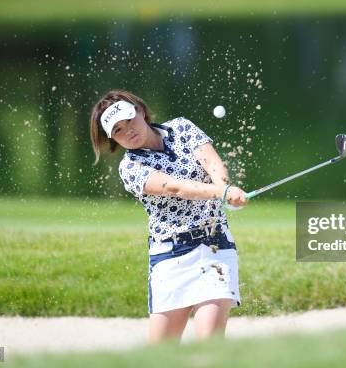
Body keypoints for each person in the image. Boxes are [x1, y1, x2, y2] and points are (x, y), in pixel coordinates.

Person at [89, 89, 248, 344]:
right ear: (113, 140)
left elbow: (212, 163)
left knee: (210, 346)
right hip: (170, 257)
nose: (128, 130)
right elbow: (175, 187)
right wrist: (221, 192)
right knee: (162, 356)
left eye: (129, 120)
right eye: (118, 130)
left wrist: (225, 190)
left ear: (141, 111)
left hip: (215, 247)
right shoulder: (130, 167)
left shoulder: (182, 127)